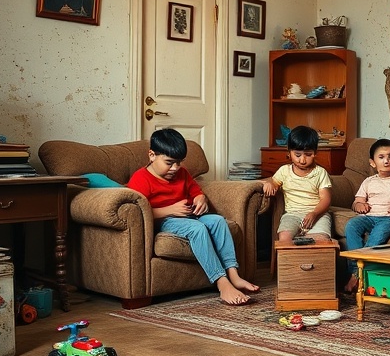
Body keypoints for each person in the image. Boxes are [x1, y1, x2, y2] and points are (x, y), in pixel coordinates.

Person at [126, 128, 258, 305]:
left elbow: (196, 190)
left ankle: (234, 275)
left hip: (190, 216)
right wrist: (170, 210)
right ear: (151, 155)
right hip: (165, 221)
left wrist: (200, 198)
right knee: (198, 229)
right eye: (169, 162)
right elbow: (137, 212)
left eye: (179, 163)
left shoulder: (182, 173)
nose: (175, 168)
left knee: (218, 221)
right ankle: (222, 283)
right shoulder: (140, 178)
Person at [343, 139, 390, 292]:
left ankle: (357, 275)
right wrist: (360, 205)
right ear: (372, 163)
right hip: (369, 216)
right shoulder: (368, 181)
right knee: (351, 225)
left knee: (378, 235)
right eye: (381, 157)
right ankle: (356, 270)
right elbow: (357, 202)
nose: (387, 161)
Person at [262, 125, 332, 242]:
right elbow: (273, 181)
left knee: (320, 241)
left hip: (318, 215)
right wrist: (269, 183)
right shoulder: (284, 171)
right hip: (292, 215)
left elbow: (326, 199)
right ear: (289, 152)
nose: (302, 160)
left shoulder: (320, 173)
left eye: (308, 155)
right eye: (297, 155)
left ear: (315, 153)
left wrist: (314, 214)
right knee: (284, 238)